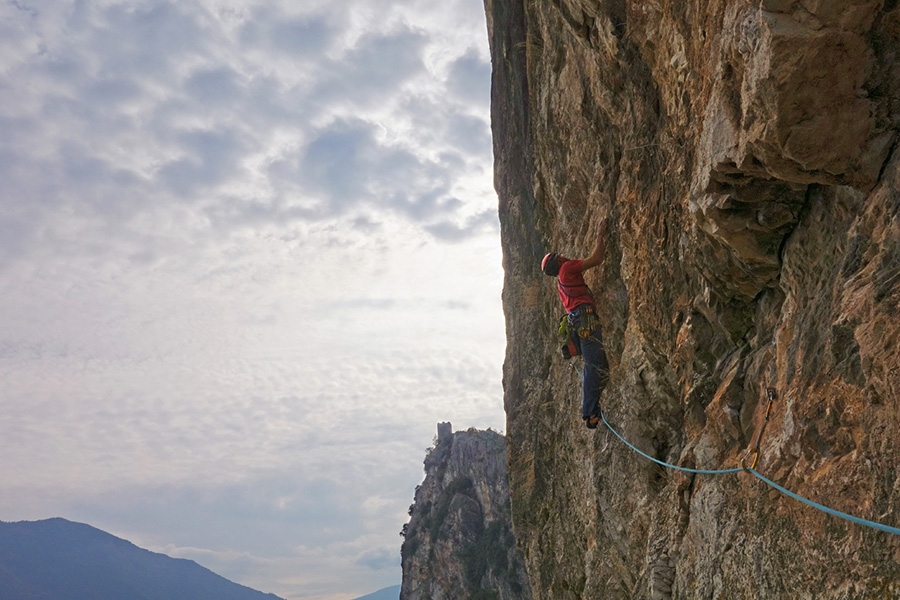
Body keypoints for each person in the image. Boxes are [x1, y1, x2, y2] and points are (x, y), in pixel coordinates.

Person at [541, 221, 610, 429]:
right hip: (585, 319)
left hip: (579, 321)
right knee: (594, 364)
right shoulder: (567, 268)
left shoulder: (560, 283)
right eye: (559, 256)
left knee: (599, 364)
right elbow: (597, 259)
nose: (564, 256)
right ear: (558, 260)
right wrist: (600, 235)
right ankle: (590, 413)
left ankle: (592, 409)